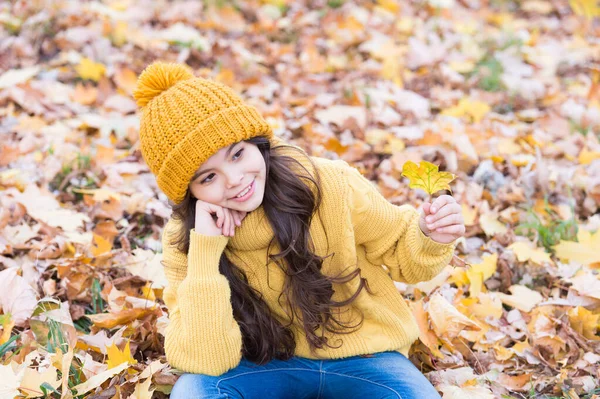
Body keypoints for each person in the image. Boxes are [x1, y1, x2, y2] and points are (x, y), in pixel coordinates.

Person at [133, 61, 465, 399]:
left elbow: (400, 250)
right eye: (208, 177)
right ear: (189, 192)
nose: (234, 180)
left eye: (237, 155)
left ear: (257, 143)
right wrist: (206, 252)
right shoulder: (187, 239)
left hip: (368, 357)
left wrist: (429, 233)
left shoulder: (328, 185)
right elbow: (206, 361)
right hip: (260, 366)